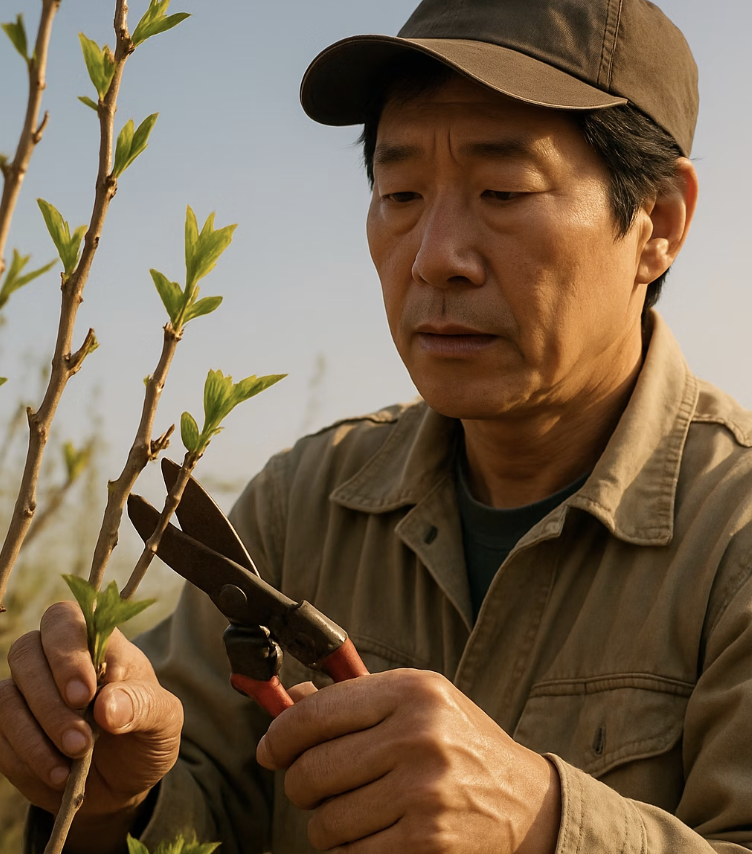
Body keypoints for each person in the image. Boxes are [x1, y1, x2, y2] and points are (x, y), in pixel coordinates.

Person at [4, 0, 752, 851]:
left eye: (502, 191)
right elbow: (202, 803)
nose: (434, 255)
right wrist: (112, 794)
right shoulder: (303, 504)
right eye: (399, 193)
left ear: (659, 222)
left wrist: (548, 825)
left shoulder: (737, 534)